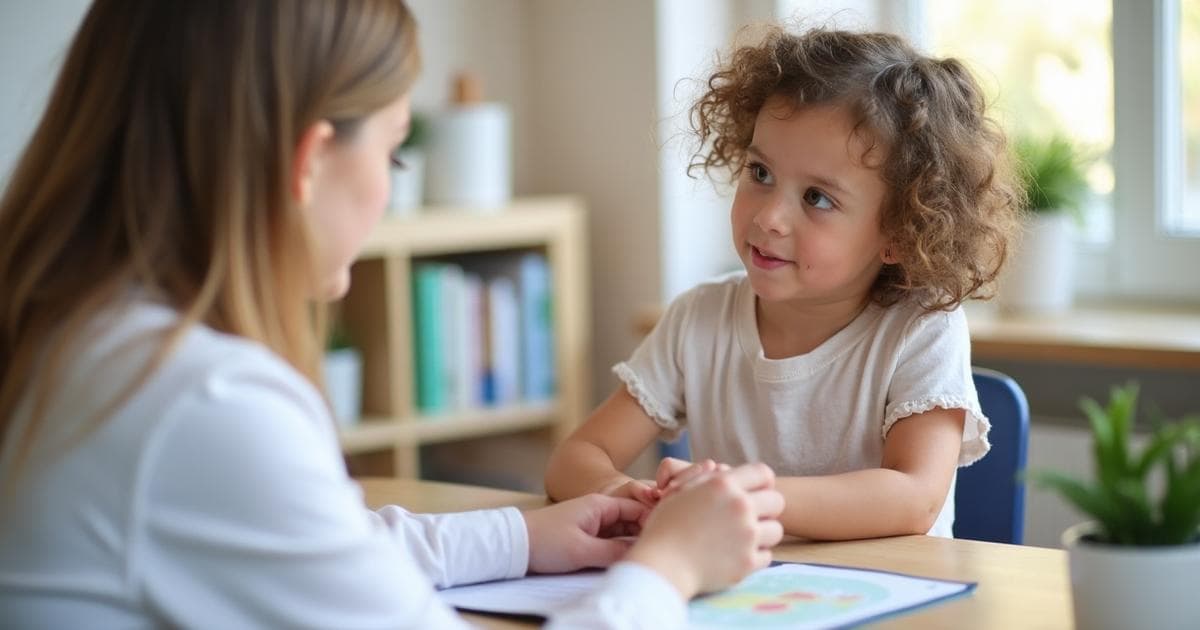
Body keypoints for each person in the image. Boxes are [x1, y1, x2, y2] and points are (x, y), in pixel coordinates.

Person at [0, 2, 785, 628]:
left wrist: (521, 536)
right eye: (393, 152)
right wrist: (670, 568)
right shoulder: (202, 403)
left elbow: (322, 543)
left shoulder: (79, 339)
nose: (387, 188)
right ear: (310, 162)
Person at [545, 25, 1022, 540]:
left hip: (889, 585)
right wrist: (623, 494)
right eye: (761, 173)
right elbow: (576, 458)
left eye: (817, 198)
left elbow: (913, 498)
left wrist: (746, 495)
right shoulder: (698, 319)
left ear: (900, 235)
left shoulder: (922, 329)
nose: (769, 217)